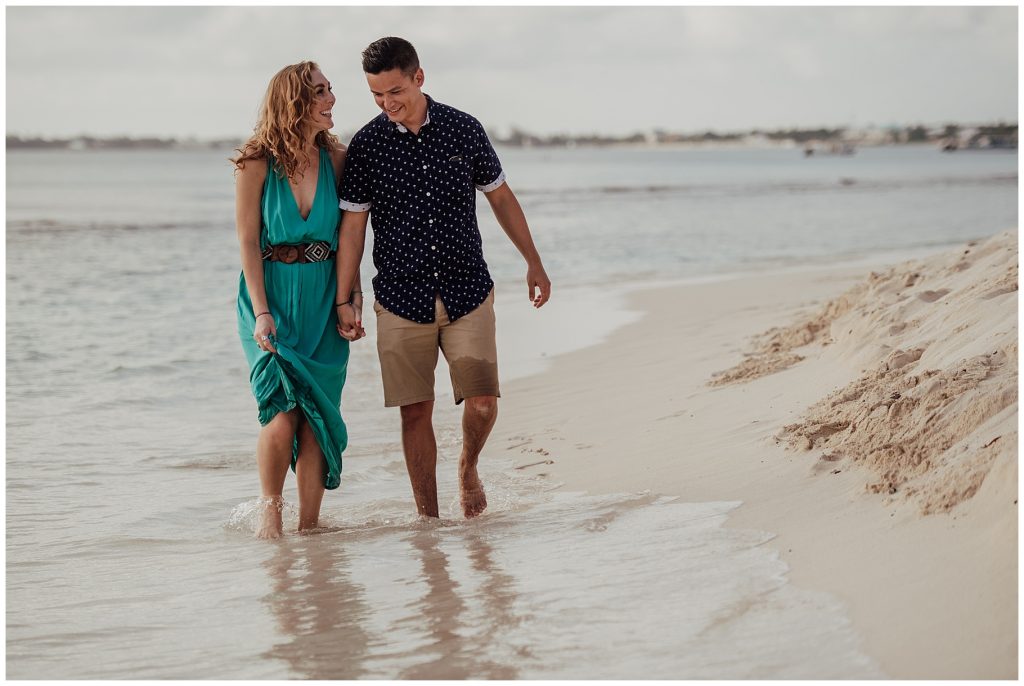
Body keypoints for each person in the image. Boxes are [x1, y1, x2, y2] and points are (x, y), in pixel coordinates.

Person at [335, 37, 551, 519]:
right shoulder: (367, 146)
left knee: (482, 402)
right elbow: (353, 227)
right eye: (376, 95)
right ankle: (428, 520)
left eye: (395, 91)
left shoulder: (463, 129)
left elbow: (500, 197)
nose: (388, 104)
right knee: (415, 411)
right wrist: (343, 297)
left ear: (419, 77)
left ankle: (468, 467)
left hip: (467, 288)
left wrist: (532, 261)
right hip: (399, 295)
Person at [232, 61, 365, 539]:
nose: (332, 99)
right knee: (281, 408)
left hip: (323, 297)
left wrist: (352, 294)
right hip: (270, 296)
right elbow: (248, 240)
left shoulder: (337, 161)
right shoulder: (256, 162)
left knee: (317, 416)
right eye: (322, 92)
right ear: (295, 102)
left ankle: (309, 528)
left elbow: (352, 233)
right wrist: (262, 311)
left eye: (331, 90)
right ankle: (271, 519)